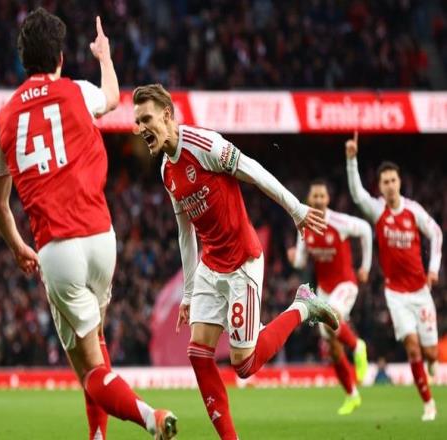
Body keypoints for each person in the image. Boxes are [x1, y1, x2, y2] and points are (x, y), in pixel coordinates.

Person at [0, 9, 176, 440]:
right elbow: (112, 96)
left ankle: (150, 417)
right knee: (96, 345)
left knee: (89, 367)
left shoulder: (4, 118)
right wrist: (104, 55)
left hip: (58, 248)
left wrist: (17, 246)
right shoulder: (76, 91)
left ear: (22, 60)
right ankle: (97, 437)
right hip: (102, 238)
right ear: (60, 57)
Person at [132, 83, 339, 440]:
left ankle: (303, 306)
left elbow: (253, 171)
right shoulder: (167, 171)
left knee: (244, 365)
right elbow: (185, 232)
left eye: (146, 119)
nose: (140, 128)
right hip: (210, 266)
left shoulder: (204, 145)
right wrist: (188, 293)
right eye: (137, 122)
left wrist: (296, 209)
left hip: (243, 261)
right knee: (198, 354)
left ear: (166, 115)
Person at [346, 132, 443, 421]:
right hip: (396, 294)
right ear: (380, 186)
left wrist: (434, 268)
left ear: (400, 182)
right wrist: (351, 160)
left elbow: (436, 233)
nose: (389, 185)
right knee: (412, 347)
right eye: (385, 182)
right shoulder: (378, 211)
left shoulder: (413, 211)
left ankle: (431, 362)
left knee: (430, 354)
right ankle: (428, 404)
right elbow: (357, 195)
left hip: (420, 292)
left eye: (393, 180)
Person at [287, 179, 372, 415]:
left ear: (328, 199)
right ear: (309, 199)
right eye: (314, 196)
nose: (318, 200)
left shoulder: (339, 222)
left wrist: (365, 266)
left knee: (331, 317)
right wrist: (294, 258)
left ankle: (358, 346)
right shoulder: (305, 226)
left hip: (345, 284)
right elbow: (302, 261)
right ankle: (352, 395)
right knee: (333, 348)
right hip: (324, 290)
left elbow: (366, 229)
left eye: (322, 196)